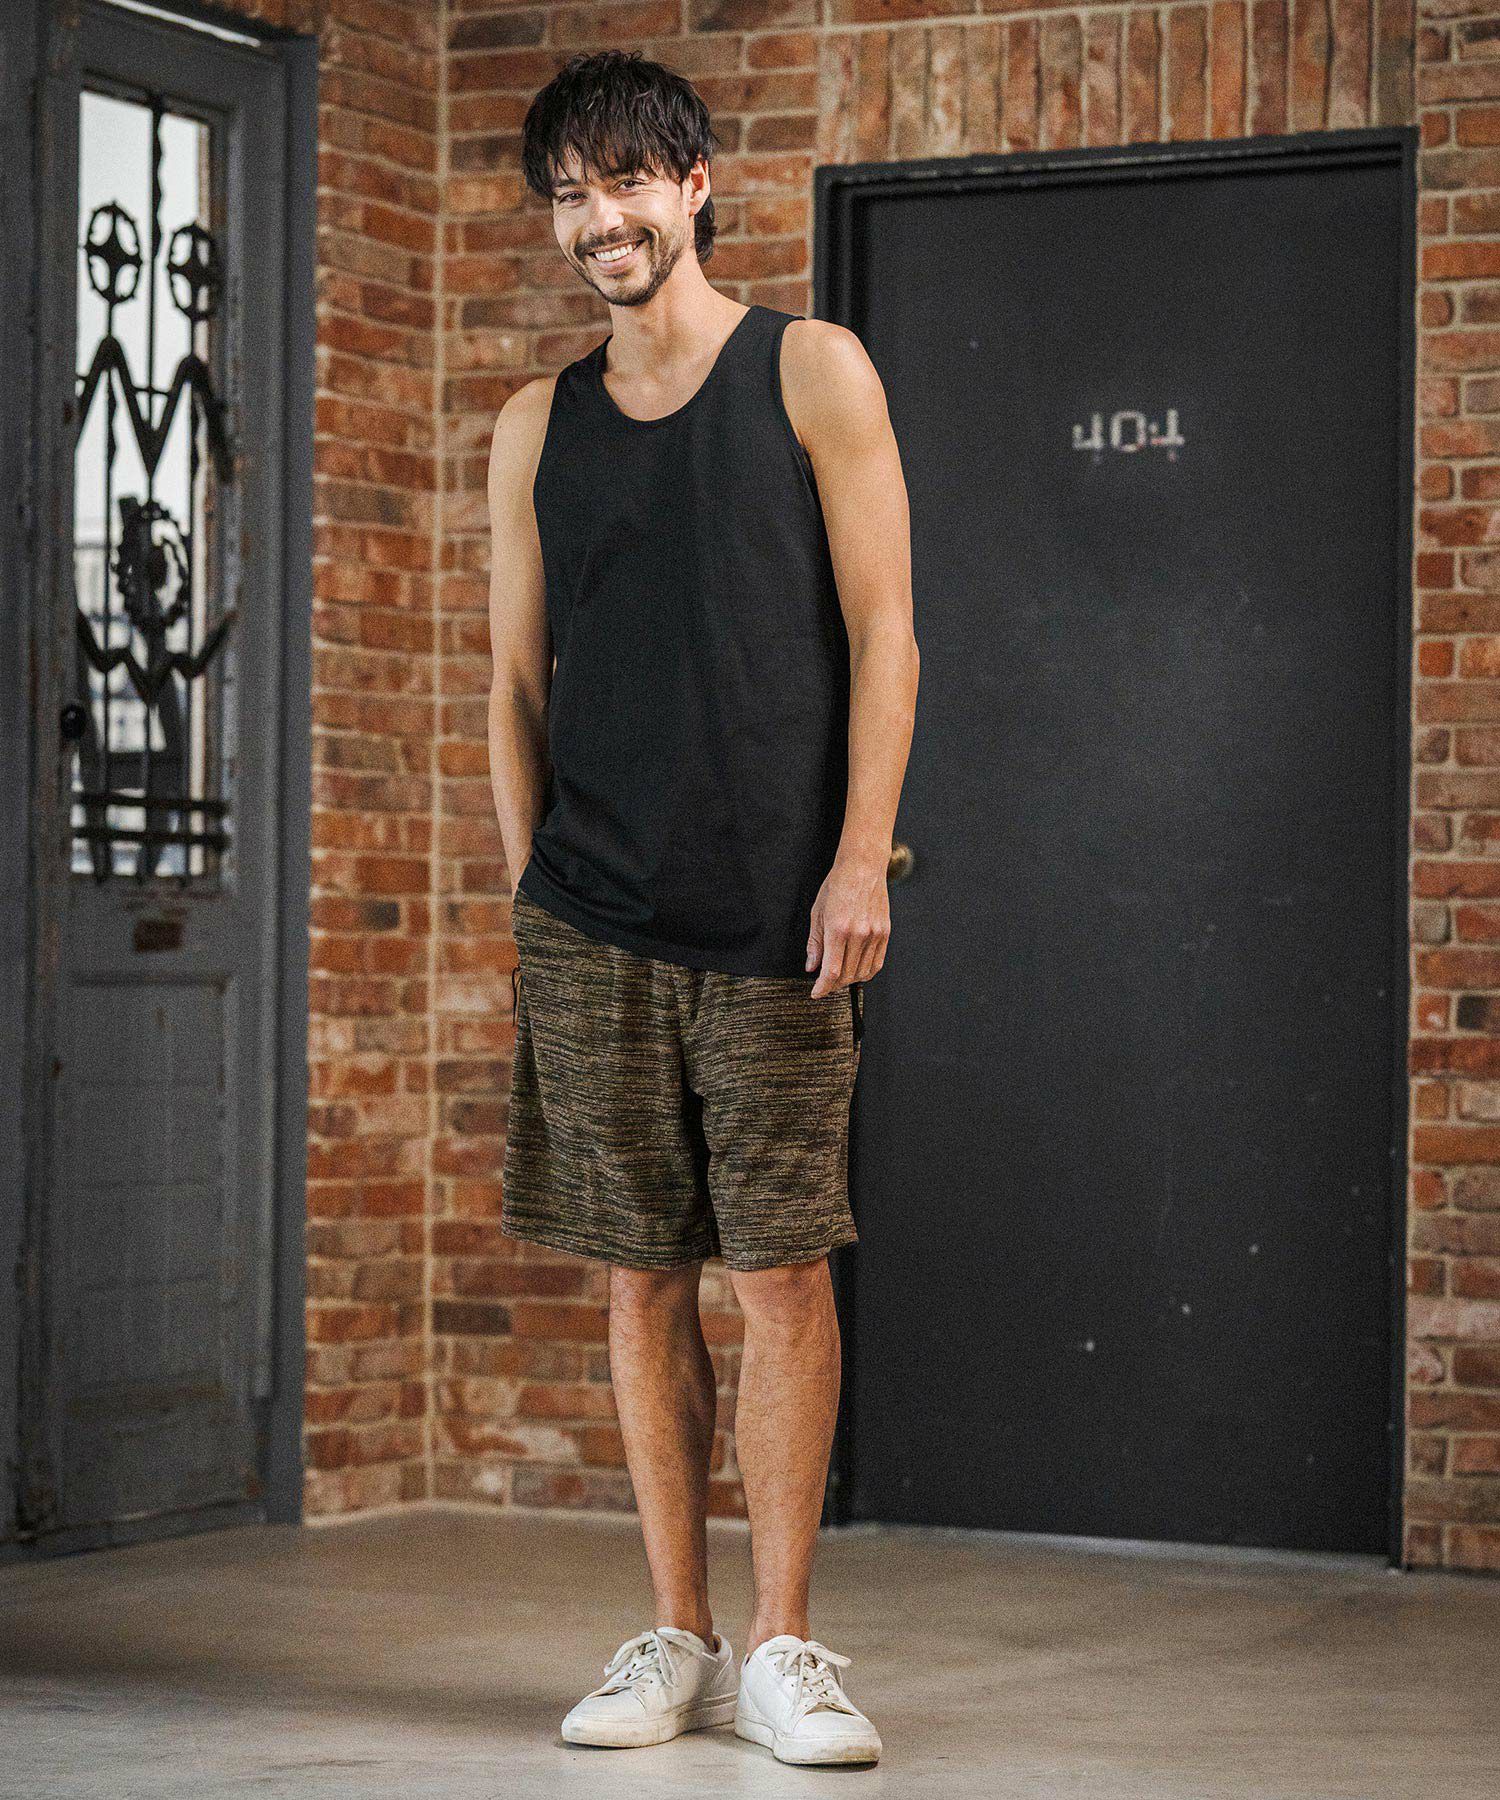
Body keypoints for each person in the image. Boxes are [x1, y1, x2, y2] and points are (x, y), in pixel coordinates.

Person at [485, 48, 918, 1769]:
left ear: (695, 184)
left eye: (623, 182)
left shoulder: (811, 372)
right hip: (591, 916)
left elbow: (886, 632)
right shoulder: (536, 426)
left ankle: (788, 1647)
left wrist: (862, 854)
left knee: (783, 1278)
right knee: (639, 1278)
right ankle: (679, 1636)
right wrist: (531, 889)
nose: (597, 219)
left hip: (777, 917)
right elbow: (514, 680)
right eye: (568, 195)